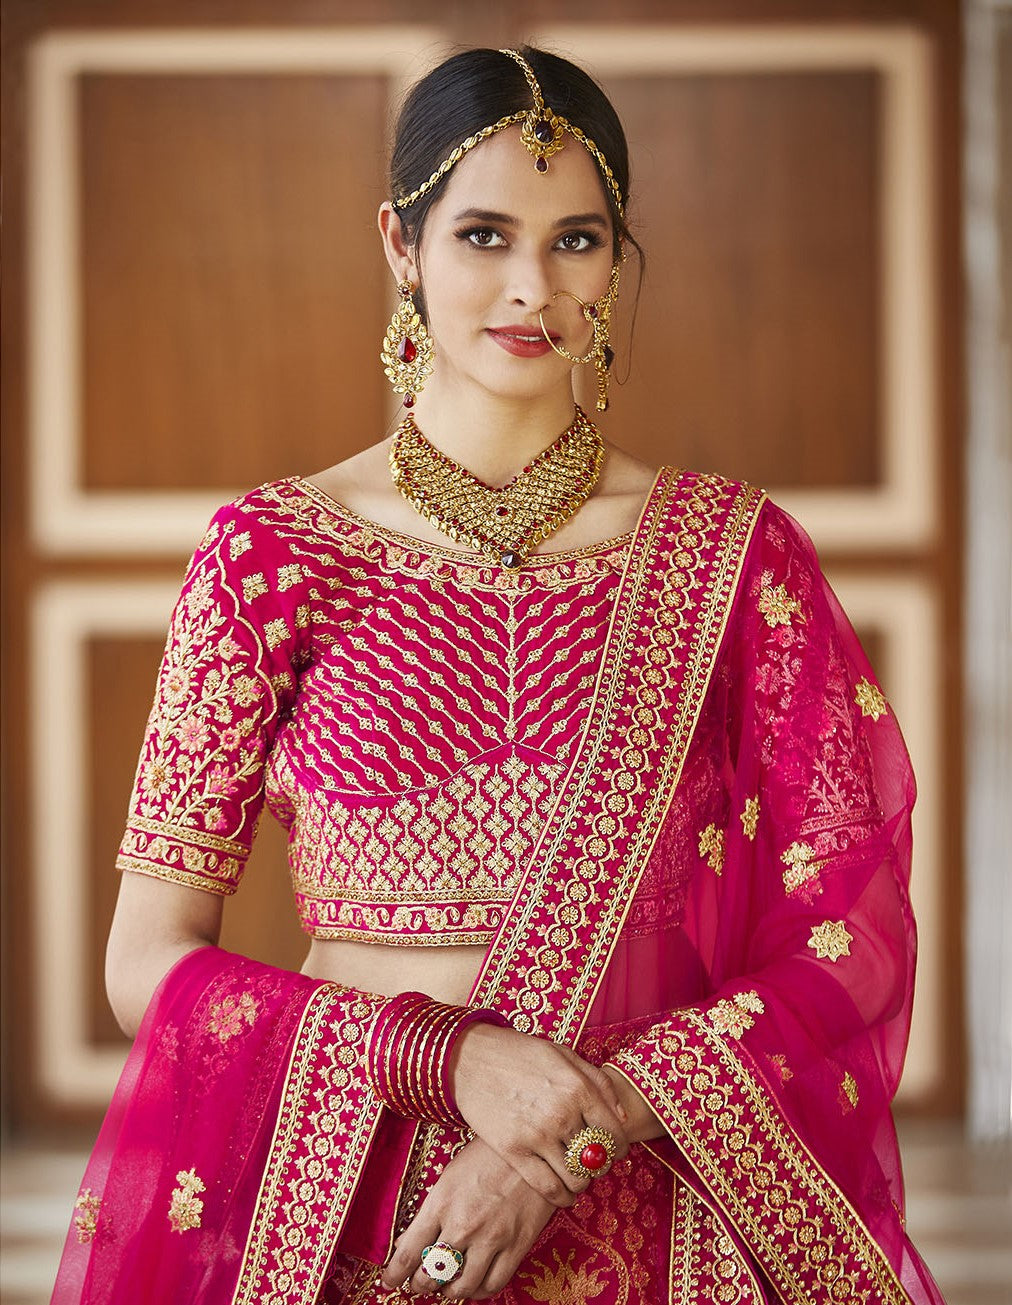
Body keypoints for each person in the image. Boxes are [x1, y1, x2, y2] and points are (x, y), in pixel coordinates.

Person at [52, 45, 944, 1305]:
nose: (531, 287)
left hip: (650, 1201)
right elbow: (147, 960)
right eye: (482, 234)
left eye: (577, 240)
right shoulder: (269, 555)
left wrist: (567, 1136)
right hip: (342, 1195)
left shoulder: (735, 559)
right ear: (400, 245)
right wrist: (449, 1059)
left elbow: (848, 943)